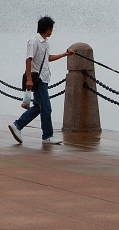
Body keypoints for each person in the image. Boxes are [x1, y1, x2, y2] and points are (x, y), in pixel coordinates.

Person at [8, 16, 74, 145]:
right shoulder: (34, 41)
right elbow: (28, 59)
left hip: (43, 78)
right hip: (37, 80)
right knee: (46, 108)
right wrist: (28, 79)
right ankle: (47, 136)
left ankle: (18, 125)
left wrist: (65, 54)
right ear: (47, 29)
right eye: (51, 29)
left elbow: (48, 58)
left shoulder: (45, 42)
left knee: (39, 107)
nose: (52, 31)